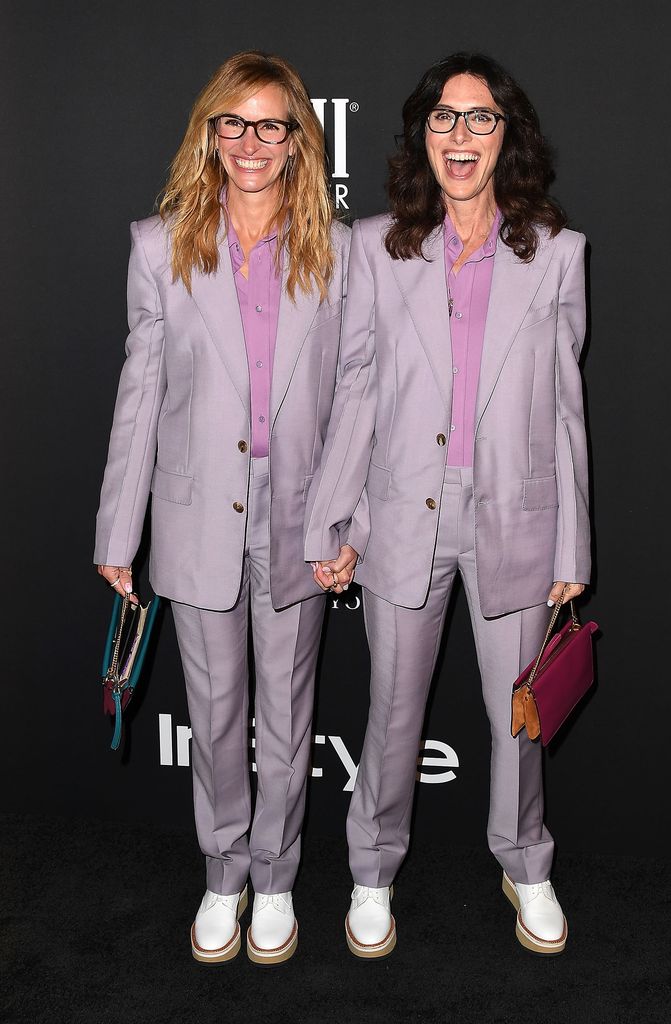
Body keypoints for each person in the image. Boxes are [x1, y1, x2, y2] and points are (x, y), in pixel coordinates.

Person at [305, 52, 590, 958]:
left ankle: (524, 860)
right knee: (390, 710)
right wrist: (334, 518)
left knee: (518, 712)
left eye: (479, 119)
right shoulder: (376, 247)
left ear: (508, 138)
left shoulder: (556, 253)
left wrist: (570, 550)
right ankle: (371, 869)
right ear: (419, 135)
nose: (458, 136)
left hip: (515, 513)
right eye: (442, 118)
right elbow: (356, 390)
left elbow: (563, 408)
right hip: (399, 512)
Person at [94, 51, 350, 965]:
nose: (250, 142)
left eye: (269, 125)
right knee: (213, 714)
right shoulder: (156, 246)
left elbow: (358, 395)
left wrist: (341, 521)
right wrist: (119, 530)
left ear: (296, 144)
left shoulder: (338, 249)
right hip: (198, 515)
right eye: (232, 124)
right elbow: (140, 393)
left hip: (298, 520)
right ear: (210, 135)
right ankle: (222, 874)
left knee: (286, 715)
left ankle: (275, 880)